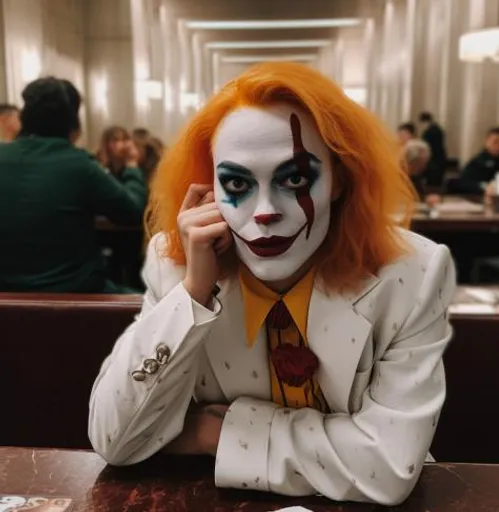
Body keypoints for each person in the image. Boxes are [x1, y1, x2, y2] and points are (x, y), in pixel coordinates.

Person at [88, 62, 455, 505]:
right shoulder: (181, 264)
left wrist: (217, 433)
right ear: (210, 188)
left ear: (339, 180)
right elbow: (116, 439)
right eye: (238, 182)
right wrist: (192, 294)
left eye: (294, 178)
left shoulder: (411, 274)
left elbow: (388, 469)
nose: (264, 211)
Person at [0, 77, 147, 293]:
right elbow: (132, 211)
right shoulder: (79, 164)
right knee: (154, 310)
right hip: (74, 291)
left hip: (7, 294)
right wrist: (132, 167)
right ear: (72, 121)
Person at [456, 126, 499, 195]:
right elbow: (463, 183)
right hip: (481, 197)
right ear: (487, 142)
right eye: (495, 142)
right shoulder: (478, 161)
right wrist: (484, 186)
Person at [419, 112, 447, 186]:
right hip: (440, 159)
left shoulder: (429, 132)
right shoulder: (438, 129)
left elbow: (425, 145)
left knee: (432, 183)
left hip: (433, 161)